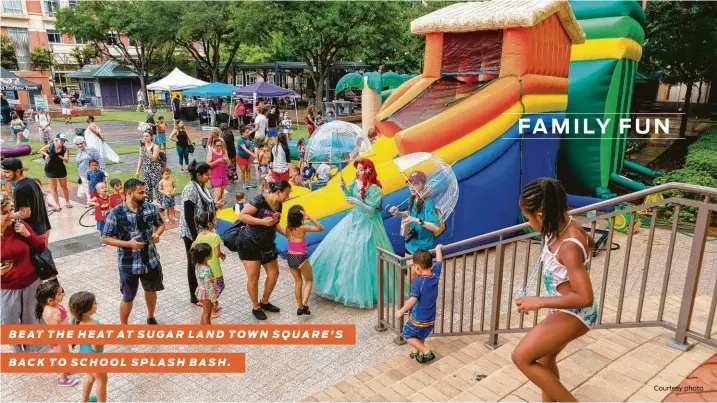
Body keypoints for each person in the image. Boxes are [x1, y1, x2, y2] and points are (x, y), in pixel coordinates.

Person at [511, 177, 598, 403]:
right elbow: (590, 242)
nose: (528, 223)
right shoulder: (567, 223)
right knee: (546, 360)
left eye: (527, 218)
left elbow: (585, 297)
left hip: (574, 313)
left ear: (539, 216)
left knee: (522, 357)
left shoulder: (569, 246)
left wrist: (538, 301)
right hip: (565, 307)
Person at [310, 158, 394, 308]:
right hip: (354, 219)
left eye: (361, 169)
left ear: (368, 171)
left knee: (365, 255)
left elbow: (371, 210)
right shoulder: (355, 182)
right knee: (346, 252)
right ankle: (342, 288)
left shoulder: (375, 189)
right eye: (358, 168)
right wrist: (344, 188)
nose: (358, 171)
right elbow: (350, 199)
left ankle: (366, 291)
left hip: (368, 224)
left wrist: (358, 202)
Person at [101, 179, 165, 325]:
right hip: (128, 263)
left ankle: (150, 316)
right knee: (128, 297)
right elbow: (105, 237)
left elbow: (161, 225)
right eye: (141, 192)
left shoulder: (150, 208)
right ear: (129, 193)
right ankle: (124, 325)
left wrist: (157, 234)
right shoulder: (115, 213)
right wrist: (128, 244)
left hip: (150, 259)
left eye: (144, 192)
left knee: (150, 290)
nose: (145, 195)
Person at [237, 180, 292, 320]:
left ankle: (265, 301)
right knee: (254, 277)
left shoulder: (279, 205)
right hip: (249, 243)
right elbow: (242, 216)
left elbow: (275, 224)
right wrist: (262, 222)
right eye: (286, 194)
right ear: (278, 192)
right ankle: (256, 307)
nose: (288, 197)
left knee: (274, 274)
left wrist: (289, 235)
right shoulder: (259, 200)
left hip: (267, 243)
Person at [0, 194, 47, 353]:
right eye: (4, 212)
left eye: (10, 210)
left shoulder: (19, 226)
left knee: (32, 319)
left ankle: (34, 351)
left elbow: (41, 247)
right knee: (8, 321)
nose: (10, 215)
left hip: (31, 282)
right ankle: (18, 352)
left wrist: (28, 235)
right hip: (6, 287)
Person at [395, 247, 443, 363]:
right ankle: (418, 352)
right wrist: (438, 249)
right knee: (420, 335)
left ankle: (426, 352)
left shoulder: (418, 282)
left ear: (417, 268)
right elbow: (439, 261)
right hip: (430, 317)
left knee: (406, 334)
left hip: (419, 318)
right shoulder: (435, 274)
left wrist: (401, 310)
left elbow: (412, 300)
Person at [180, 161, 215, 305]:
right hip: (191, 233)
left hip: (200, 231)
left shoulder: (201, 187)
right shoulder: (191, 190)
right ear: (198, 175)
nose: (209, 177)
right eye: (206, 174)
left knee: (201, 262)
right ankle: (194, 296)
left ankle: (202, 292)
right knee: (193, 263)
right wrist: (196, 238)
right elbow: (188, 217)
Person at [35, 280, 79, 386]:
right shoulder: (51, 311)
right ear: (50, 300)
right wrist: (58, 321)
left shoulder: (53, 305)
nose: (62, 294)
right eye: (59, 294)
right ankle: (62, 379)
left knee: (66, 354)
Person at [282, 205, 324, 315]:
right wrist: (310, 217)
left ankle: (299, 307)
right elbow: (321, 228)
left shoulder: (288, 227)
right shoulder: (303, 228)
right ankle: (305, 304)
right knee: (309, 280)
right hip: (301, 257)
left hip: (290, 257)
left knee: (297, 281)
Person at [389, 171, 441, 256]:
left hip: (421, 249)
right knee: (409, 269)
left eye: (415, 184)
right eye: (410, 184)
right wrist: (397, 213)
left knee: (417, 270)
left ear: (423, 185)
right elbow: (409, 214)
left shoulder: (427, 203)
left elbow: (436, 228)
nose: (411, 187)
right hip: (410, 244)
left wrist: (416, 220)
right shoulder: (413, 198)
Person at [69, 291, 107, 402]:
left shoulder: (75, 321)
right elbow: (96, 347)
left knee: (90, 378)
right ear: (86, 310)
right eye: (94, 303)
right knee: (102, 381)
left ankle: (85, 400)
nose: (97, 304)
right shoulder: (95, 326)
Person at [2, 159, 51, 241]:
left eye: (7, 172)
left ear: (17, 171)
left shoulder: (20, 189)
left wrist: (7, 215)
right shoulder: (31, 181)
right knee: (44, 252)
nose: (4, 175)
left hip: (33, 232)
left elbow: (25, 213)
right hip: (43, 228)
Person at [194, 211, 225, 317]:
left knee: (208, 287)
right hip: (214, 268)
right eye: (215, 219)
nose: (216, 221)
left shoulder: (199, 236)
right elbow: (217, 253)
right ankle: (211, 307)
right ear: (209, 223)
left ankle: (212, 304)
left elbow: (194, 248)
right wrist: (223, 256)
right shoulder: (215, 236)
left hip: (202, 266)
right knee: (218, 286)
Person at [39, 133, 72, 211]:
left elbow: (67, 160)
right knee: (54, 187)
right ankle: (57, 204)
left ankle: (67, 202)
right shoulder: (50, 146)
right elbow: (41, 150)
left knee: (64, 186)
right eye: (62, 140)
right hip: (50, 169)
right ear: (57, 140)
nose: (63, 142)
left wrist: (62, 157)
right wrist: (46, 155)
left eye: (64, 141)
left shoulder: (65, 148)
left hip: (60, 169)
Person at [190, 243, 218, 325]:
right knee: (207, 315)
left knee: (205, 312)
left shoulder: (198, 265)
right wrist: (214, 300)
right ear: (206, 257)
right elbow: (209, 287)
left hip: (201, 292)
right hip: (206, 296)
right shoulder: (206, 271)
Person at [74, 136, 105, 206]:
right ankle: (90, 202)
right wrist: (79, 174)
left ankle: (100, 202)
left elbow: (99, 158)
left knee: (96, 188)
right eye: (78, 144)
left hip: (93, 173)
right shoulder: (78, 152)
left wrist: (101, 169)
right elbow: (78, 164)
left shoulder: (91, 149)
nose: (80, 145)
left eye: (81, 143)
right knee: (87, 188)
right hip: (83, 173)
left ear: (84, 142)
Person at [135, 131, 162, 204]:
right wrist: (137, 171)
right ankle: (149, 203)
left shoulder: (155, 146)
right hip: (146, 169)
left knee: (157, 187)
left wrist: (147, 151)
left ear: (151, 137)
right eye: (144, 136)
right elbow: (140, 159)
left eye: (147, 136)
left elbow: (154, 158)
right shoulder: (142, 147)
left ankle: (160, 204)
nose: (145, 137)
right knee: (147, 187)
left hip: (155, 169)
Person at [206, 138, 229, 208]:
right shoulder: (211, 153)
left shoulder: (224, 152)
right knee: (218, 195)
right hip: (215, 176)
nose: (219, 147)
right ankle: (213, 209)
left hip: (223, 175)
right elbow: (207, 165)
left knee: (221, 195)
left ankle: (219, 209)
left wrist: (226, 160)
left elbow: (229, 164)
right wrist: (217, 161)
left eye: (220, 145)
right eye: (217, 146)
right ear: (213, 145)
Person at [89, 182, 111, 246]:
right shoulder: (97, 198)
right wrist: (94, 203)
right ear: (98, 191)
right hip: (100, 218)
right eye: (102, 188)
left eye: (105, 187)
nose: (104, 188)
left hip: (108, 217)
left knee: (109, 228)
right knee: (101, 229)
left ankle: (109, 238)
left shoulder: (109, 197)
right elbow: (89, 202)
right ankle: (102, 241)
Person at [236, 125, 257, 190]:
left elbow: (249, 147)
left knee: (248, 170)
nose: (248, 133)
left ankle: (249, 182)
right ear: (242, 133)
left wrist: (251, 154)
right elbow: (245, 149)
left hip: (247, 157)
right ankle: (244, 184)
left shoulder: (247, 138)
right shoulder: (240, 139)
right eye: (247, 132)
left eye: (248, 132)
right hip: (241, 157)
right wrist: (252, 154)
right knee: (243, 171)